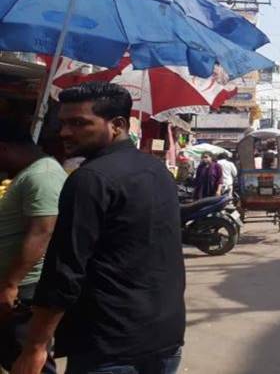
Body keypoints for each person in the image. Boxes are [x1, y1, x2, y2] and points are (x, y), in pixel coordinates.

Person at [12, 82, 185, 374]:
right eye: (63, 122)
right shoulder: (156, 170)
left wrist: (36, 347)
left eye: (79, 123)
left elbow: (63, 273)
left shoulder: (90, 179)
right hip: (165, 337)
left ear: (117, 124)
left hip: (110, 346)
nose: (65, 132)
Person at [0, 121, 65, 374]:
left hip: (22, 293)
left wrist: (10, 285)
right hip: (15, 289)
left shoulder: (42, 175)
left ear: (3, 148)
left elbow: (43, 231)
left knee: (27, 359)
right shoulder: (29, 173)